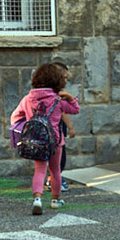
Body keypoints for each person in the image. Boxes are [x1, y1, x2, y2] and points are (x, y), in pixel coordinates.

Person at [11, 63, 80, 215]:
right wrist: (70, 97)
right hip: (55, 141)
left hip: (36, 141)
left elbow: (15, 117)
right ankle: (55, 200)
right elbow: (75, 110)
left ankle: (37, 199)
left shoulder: (28, 99)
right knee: (55, 171)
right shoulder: (57, 99)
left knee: (39, 170)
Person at [45, 62, 73, 192]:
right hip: (57, 131)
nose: (66, 81)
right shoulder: (59, 95)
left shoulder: (44, 93)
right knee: (59, 158)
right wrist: (71, 128)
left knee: (47, 159)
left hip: (46, 130)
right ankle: (54, 181)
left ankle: (50, 181)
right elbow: (64, 112)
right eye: (65, 77)